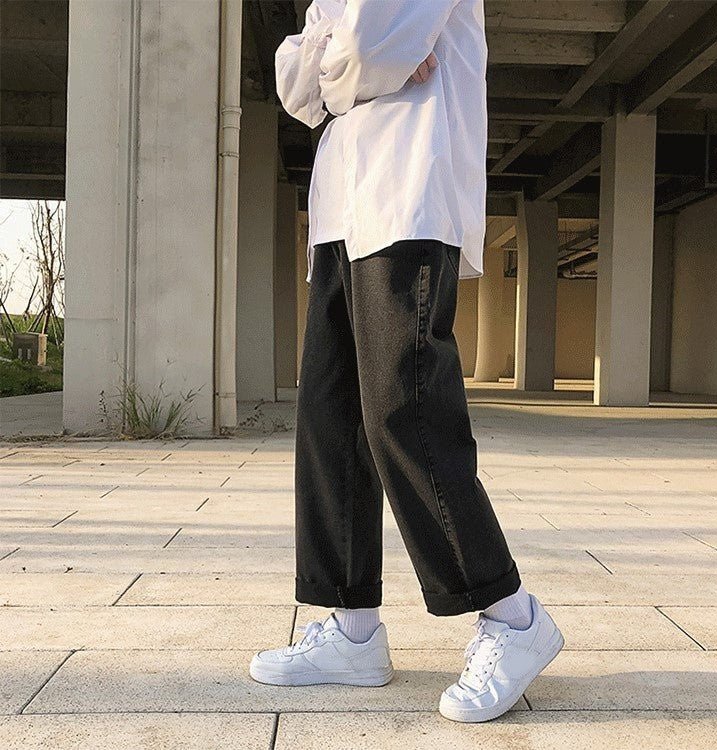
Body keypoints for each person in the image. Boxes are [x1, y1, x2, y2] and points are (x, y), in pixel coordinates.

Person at [249, 0, 563, 723]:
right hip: (341, 209)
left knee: (405, 409)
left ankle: (512, 615)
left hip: (408, 192)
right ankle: (351, 628)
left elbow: (365, 48)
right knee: (331, 416)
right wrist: (349, 66)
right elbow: (296, 81)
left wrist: (338, 61)